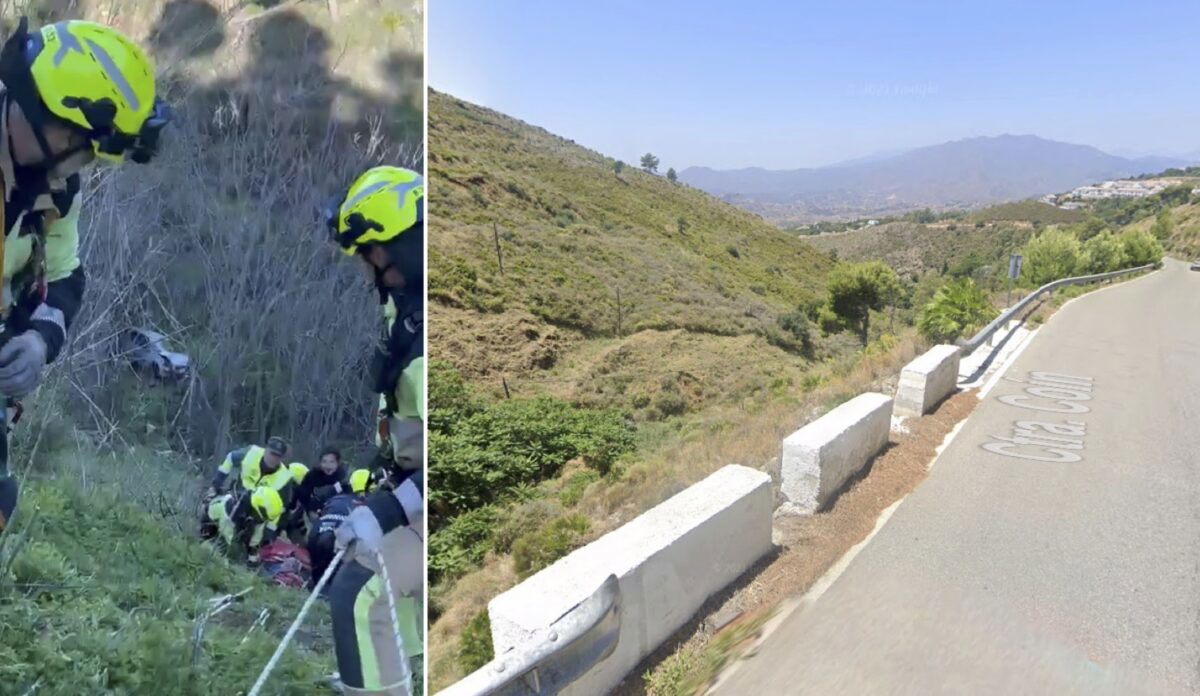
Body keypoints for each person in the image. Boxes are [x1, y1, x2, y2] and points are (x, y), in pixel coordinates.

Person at [0, 18, 171, 532]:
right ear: (53, 123)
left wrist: (38, 339)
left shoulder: (54, 190)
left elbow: (65, 275)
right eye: (87, 151)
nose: (84, 169)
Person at [322, 166, 424, 695]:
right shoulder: (404, 311)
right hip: (410, 488)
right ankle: (405, 671)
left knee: (359, 590)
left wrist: (385, 511)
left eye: (372, 256)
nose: (368, 271)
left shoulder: (423, 345)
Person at [307, 468, 373, 592]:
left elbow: (315, 502)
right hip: (336, 544)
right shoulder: (367, 506)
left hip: (315, 535)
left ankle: (315, 582)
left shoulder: (336, 496)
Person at [200, 485, 283, 561]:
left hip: (235, 525)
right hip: (212, 522)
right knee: (213, 550)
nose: (262, 520)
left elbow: (256, 536)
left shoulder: (256, 514)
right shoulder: (232, 510)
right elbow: (226, 537)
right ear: (257, 509)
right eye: (262, 517)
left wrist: (252, 555)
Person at [207, 435, 292, 499]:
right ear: (265, 450)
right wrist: (216, 485)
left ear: (282, 458)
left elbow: (283, 506)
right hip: (236, 497)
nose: (273, 458)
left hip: (259, 513)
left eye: (278, 456)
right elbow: (230, 458)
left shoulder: (284, 477)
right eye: (272, 453)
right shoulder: (252, 453)